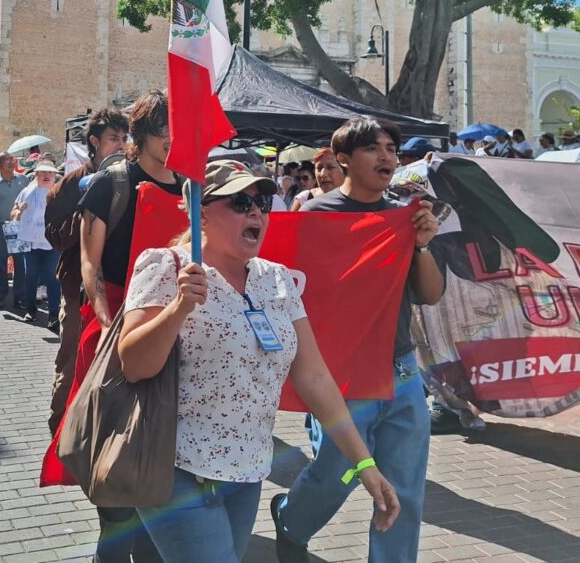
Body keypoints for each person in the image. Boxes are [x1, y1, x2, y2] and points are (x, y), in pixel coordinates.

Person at [122, 160, 400, 563]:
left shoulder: (277, 279)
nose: (256, 212)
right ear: (201, 212)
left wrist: (365, 465)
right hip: (176, 468)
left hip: (248, 472)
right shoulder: (168, 266)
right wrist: (179, 307)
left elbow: (315, 378)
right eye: (240, 202)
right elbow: (134, 364)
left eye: (263, 203)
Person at [274, 117, 445, 563]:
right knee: (338, 473)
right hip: (341, 373)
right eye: (373, 148)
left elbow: (430, 294)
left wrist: (422, 245)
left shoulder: (403, 217)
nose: (386, 156)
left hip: (401, 371)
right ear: (344, 159)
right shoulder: (316, 216)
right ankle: (291, 521)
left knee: (404, 488)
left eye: (391, 148)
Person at [77, 88, 179, 563]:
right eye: (164, 129)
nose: (172, 138)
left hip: (175, 328)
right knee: (115, 445)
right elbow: (90, 264)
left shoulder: (192, 187)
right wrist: (105, 326)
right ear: (141, 134)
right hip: (115, 323)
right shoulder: (111, 183)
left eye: (178, 128)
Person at [44, 106, 128, 434]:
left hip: (121, 290)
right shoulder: (70, 184)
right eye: (113, 138)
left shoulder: (129, 180)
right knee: (72, 364)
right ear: (95, 142)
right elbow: (53, 236)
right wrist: (86, 215)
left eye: (124, 138)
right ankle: (60, 434)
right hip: (78, 290)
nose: (121, 144)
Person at [11, 161, 62, 329]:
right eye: (43, 172)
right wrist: (18, 212)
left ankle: (53, 315)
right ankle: (31, 310)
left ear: (54, 176)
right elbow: (13, 212)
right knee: (30, 276)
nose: (47, 176)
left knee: (52, 277)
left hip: (52, 243)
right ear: (37, 175)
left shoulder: (59, 192)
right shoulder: (26, 192)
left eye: (50, 173)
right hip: (31, 243)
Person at [0, 153, 30, 309]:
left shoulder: (23, 180)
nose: (10, 162)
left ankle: (21, 297)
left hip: (20, 227)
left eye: (11, 159)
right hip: (1, 228)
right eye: (6, 160)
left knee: (21, 263)